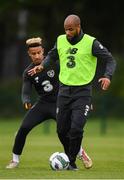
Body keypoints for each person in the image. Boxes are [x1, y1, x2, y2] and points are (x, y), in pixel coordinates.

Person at [28, 15, 116, 170]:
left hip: (83, 92)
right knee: (61, 129)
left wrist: (107, 76)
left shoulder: (91, 42)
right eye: (66, 29)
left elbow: (110, 60)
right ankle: (72, 158)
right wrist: (42, 66)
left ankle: (71, 162)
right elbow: (52, 55)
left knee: (76, 129)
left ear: (78, 27)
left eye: (71, 29)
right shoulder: (60, 40)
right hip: (64, 91)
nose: (68, 32)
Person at [6, 37, 92, 169]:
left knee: (66, 132)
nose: (36, 56)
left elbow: (71, 79)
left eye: (38, 52)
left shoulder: (54, 63)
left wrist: (82, 99)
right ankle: (15, 160)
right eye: (33, 54)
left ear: (43, 51)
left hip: (60, 103)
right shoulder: (28, 72)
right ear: (29, 54)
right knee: (23, 129)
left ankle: (78, 155)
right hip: (43, 104)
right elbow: (26, 91)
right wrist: (26, 101)